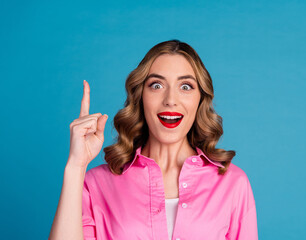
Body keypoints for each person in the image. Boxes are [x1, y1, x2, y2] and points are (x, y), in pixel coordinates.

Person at [49, 40, 258, 240]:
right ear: (140, 97)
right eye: (156, 85)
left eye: (185, 86)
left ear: (200, 99)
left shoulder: (233, 183)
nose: (170, 100)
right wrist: (76, 166)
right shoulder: (96, 184)